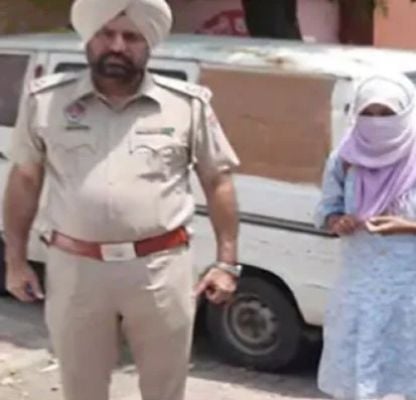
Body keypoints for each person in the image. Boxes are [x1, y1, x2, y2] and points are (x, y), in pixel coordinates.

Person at [2, 1, 242, 399]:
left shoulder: (185, 104)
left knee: (165, 388)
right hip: (76, 270)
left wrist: (227, 262)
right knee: (81, 387)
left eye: (131, 37)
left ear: (148, 44)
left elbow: (218, 180)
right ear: (88, 40)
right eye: (105, 34)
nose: (117, 46)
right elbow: (25, 180)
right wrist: (15, 261)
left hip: (160, 270)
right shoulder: (46, 102)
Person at [315, 71, 416, 400]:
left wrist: (406, 226)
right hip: (360, 287)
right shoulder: (344, 158)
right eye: (369, 113)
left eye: (387, 113)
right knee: (360, 380)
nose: (377, 122)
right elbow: (325, 210)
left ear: (407, 113)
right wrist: (339, 221)